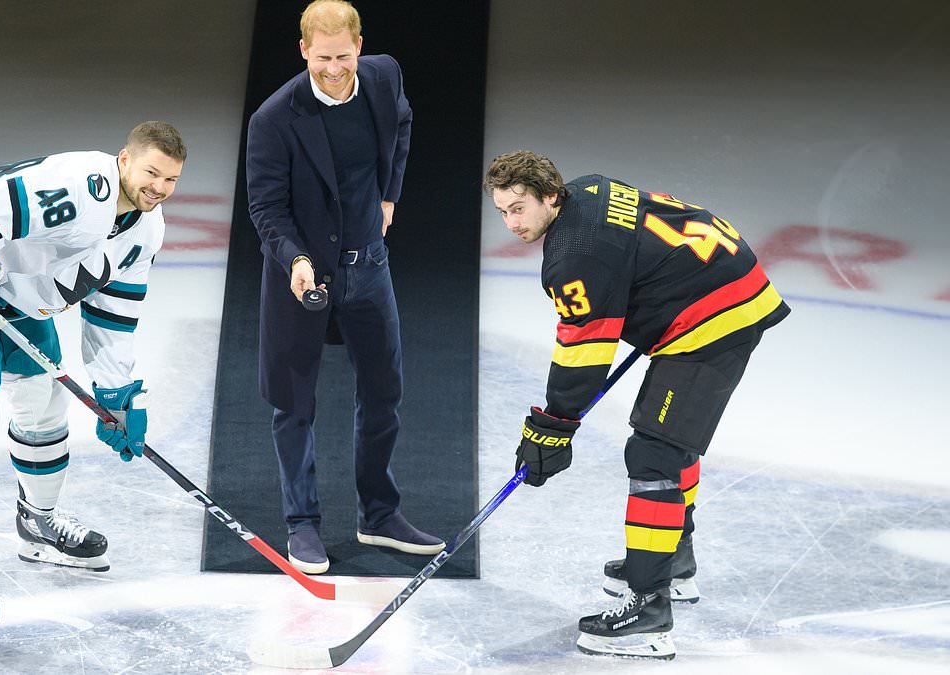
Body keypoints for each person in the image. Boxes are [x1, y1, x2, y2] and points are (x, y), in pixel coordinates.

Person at [0, 121, 187, 641]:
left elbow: (112, 315)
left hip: (10, 288)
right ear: (124, 160)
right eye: (151, 172)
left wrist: (118, 395)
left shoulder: (145, 230)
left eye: (171, 179)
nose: (158, 188)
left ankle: (37, 522)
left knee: (46, 402)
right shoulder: (83, 189)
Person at [484, 150, 789, 659]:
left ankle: (648, 610)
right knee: (668, 442)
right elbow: (637, 254)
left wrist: (551, 427)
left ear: (550, 196)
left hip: (717, 316)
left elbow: (583, 356)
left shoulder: (573, 258)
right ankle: (670, 562)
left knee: (656, 453)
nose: (511, 222)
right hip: (723, 280)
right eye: (501, 211)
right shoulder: (590, 188)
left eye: (518, 208)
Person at [245, 0, 443, 575]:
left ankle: (378, 514)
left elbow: (402, 124)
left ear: (361, 45)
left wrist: (389, 195)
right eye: (323, 57)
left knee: (384, 393)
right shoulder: (274, 119)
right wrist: (296, 259)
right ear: (304, 50)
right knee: (293, 403)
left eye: (344, 55)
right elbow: (266, 209)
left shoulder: (384, 75)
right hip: (302, 273)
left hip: (370, 266)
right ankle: (302, 524)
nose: (335, 68)